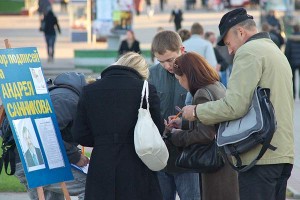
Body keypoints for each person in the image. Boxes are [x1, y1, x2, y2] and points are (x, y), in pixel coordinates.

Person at [182, 8, 294, 200]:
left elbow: (235, 105)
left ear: (241, 32)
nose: (230, 50)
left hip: (260, 155)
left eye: (228, 43)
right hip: (282, 152)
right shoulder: (274, 51)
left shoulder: (249, 52)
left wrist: (197, 112)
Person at [72, 52, 164, 200]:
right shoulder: (145, 89)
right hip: (137, 162)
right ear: (141, 72)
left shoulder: (89, 90)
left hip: (102, 162)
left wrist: (102, 140)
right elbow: (157, 129)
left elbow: (80, 134)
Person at [165, 51, 239, 200]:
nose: (180, 82)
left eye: (180, 78)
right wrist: (183, 122)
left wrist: (176, 136)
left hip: (215, 165)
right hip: (226, 160)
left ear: (187, 75)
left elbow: (205, 134)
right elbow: (210, 121)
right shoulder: (216, 85)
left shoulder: (201, 94)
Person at [14, 72, 88, 200]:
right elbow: (46, 134)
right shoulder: (68, 100)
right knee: (92, 185)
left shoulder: (59, 95)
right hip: (35, 160)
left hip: (26, 159)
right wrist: (75, 157)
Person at [149, 30, 200, 200]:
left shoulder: (196, 73)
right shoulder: (151, 75)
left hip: (188, 154)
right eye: (161, 61)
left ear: (182, 49)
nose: (167, 66)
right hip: (159, 154)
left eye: (170, 60)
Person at [183, 22, 218, 105]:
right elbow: (212, 64)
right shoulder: (207, 44)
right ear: (202, 33)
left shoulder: (183, 44)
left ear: (191, 33)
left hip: (185, 82)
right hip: (203, 83)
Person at [285, 24, 300, 100]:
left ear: (293, 29)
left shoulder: (290, 39)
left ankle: (293, 95)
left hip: (292, 61)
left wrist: (287, 60)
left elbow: (287, 51)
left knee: (292, 79)